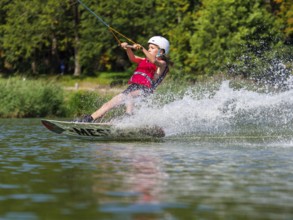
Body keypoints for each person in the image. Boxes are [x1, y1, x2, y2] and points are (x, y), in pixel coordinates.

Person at [78, 36, 170, 122]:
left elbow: (154, 60)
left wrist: (142, 49)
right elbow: (133, 58)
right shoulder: (143, 60)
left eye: (152, 48)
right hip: (133, 87)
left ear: (161, 52)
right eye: (148, 47)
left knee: (129, 96)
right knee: (109, 104)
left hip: (146, 90)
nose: (149, 49)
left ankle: (128, 118)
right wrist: (128, 48)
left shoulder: (162, 64)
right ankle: (90, 119)